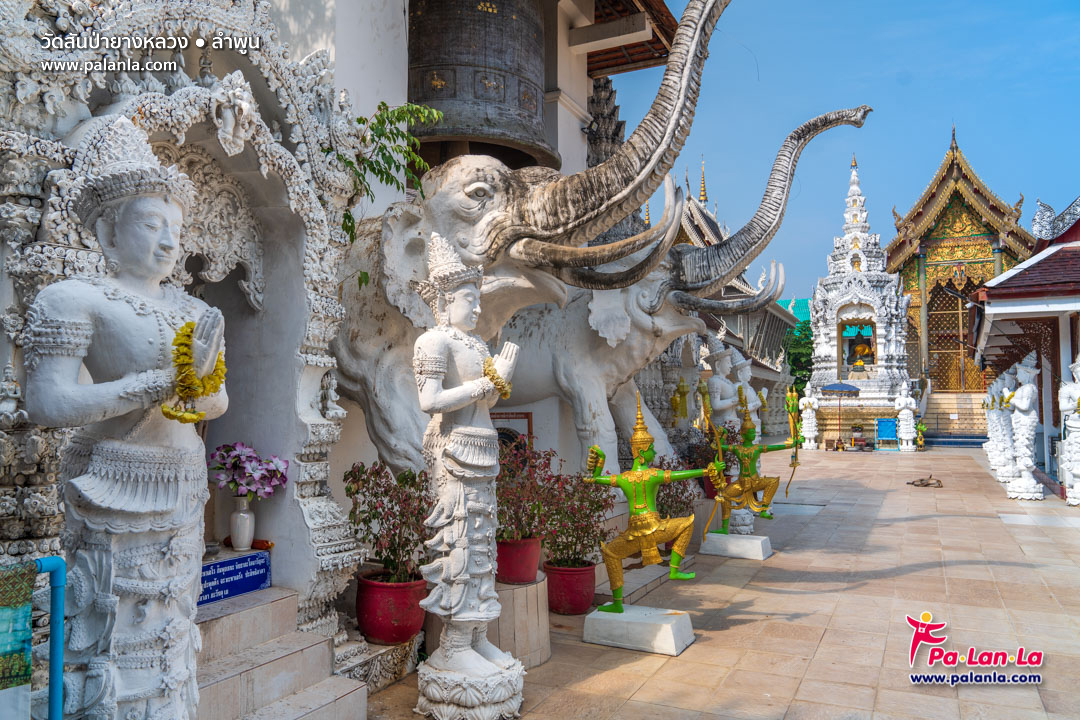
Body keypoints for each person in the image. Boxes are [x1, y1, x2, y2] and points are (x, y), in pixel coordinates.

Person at [23, 117, 227, 719]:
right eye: (151, 223)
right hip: (110, 484)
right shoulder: (72, 298)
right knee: (108, 627)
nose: (169, 242)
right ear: (109, 232)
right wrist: (150, 386)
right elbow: (47, 404)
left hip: (183, 483)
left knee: (171, 629)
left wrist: (194, 396)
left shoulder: (195, 310)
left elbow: (217, 401)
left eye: (176, 228)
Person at [584, 394, 723, 613]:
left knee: (610, 554)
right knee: (687, 524)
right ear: (640, 452)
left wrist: (596, 463)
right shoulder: (653, 475)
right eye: (650, 448)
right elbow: (681, 475)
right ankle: (674, 569)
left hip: (634, 532)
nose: (654, 452)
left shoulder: (624, 477)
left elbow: (593, 480)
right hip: (655, 530)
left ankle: (618, 603)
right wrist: (706, 470)